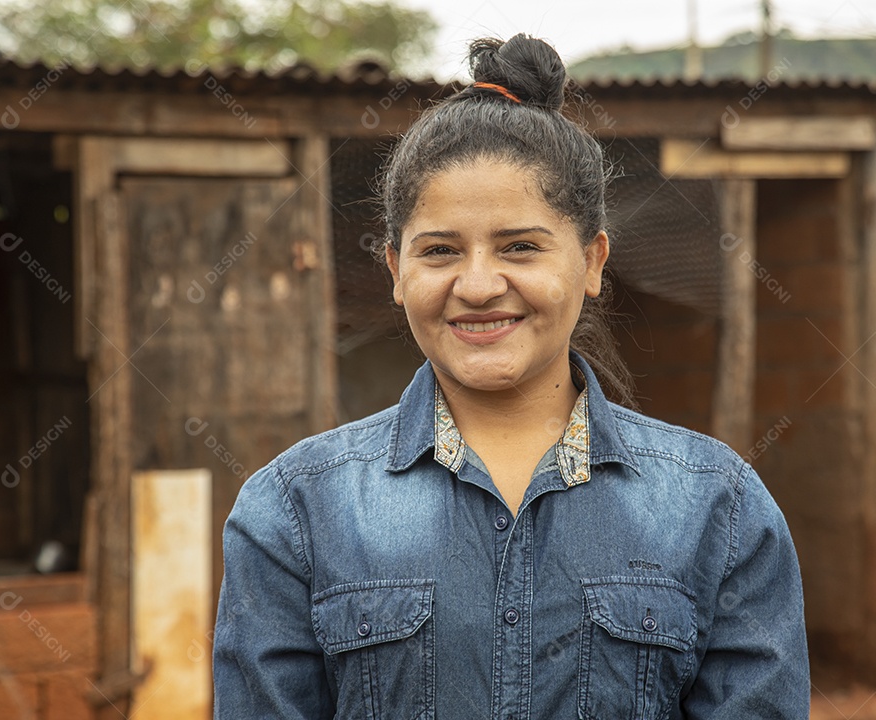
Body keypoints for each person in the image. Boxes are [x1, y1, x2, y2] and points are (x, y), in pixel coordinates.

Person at [213, 33, 809, 719]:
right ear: (396, 272)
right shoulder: (293, 513)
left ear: (591, 262)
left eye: (520, 247)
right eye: (439, 251)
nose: (478, 284)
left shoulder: (719, 510)